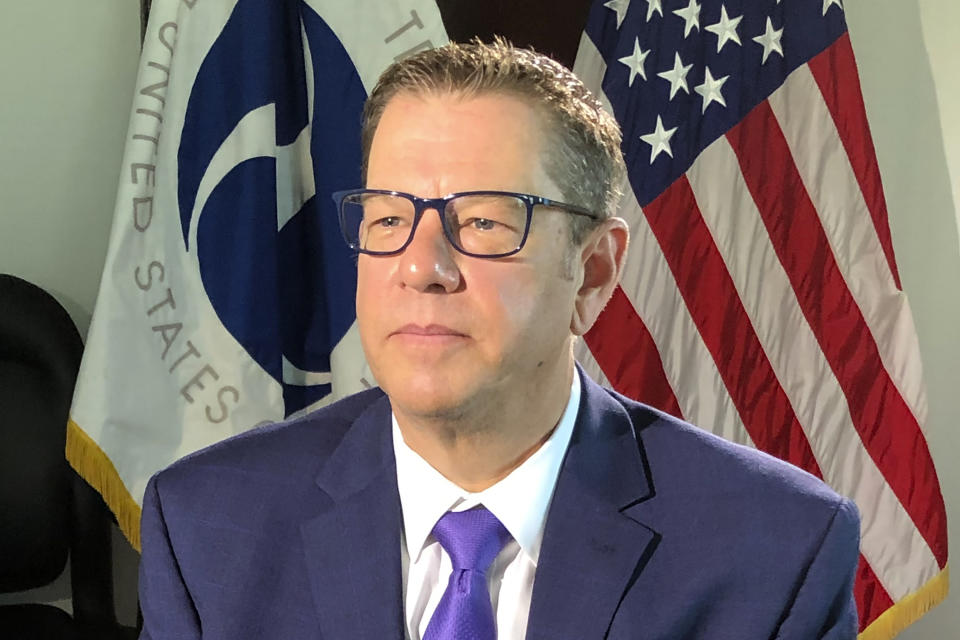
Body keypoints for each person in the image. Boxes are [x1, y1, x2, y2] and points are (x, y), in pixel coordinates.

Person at [138, 40, 860, 640]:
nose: (423, 267)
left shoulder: (775, 552)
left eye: (484, 221)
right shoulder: (207, 530)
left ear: (593, 272)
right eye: (388, 220)